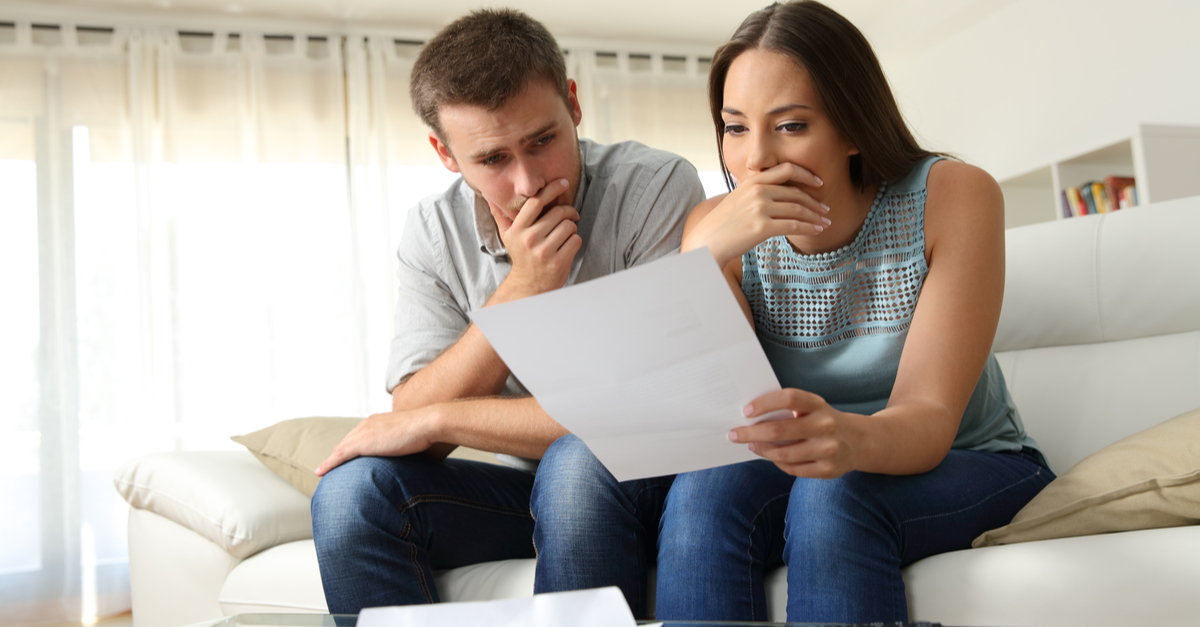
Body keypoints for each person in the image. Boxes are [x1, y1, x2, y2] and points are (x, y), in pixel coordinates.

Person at [532, 1, 1055, 623]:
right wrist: (699, 261)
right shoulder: (713, 230)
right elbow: (713, 415)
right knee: (704, 491)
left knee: (835, 494)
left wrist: (848, 438)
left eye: (790, 125)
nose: (755, 160)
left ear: (854, 127)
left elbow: (932, 420)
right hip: (799, 463)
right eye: (735, 128)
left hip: (965, 460)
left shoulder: (953, 195)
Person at [307, 8, 704, 613]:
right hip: (534, 489)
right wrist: (523, 285)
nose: (527, 181)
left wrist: (443, 419)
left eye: (542, 141)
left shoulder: (654, 187)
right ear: (445, 153)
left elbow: (638, 412)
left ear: (573, 103)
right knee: (350, 494)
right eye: (493, 159)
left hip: (656, 481)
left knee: (577, 464)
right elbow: (409, 416)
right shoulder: (433, 232)